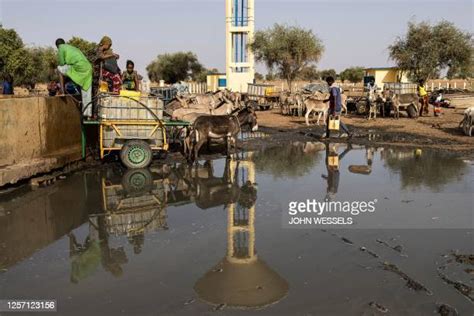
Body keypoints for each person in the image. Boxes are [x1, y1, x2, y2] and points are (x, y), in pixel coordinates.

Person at [55, 38, 93, 117]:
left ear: (57, 45)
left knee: (59, 69)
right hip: (88, 68)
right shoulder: (72, 48)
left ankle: (62, 92)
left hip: (79, 67)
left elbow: (62, 63)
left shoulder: (61, 47)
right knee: (86, 92)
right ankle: (87, 115)